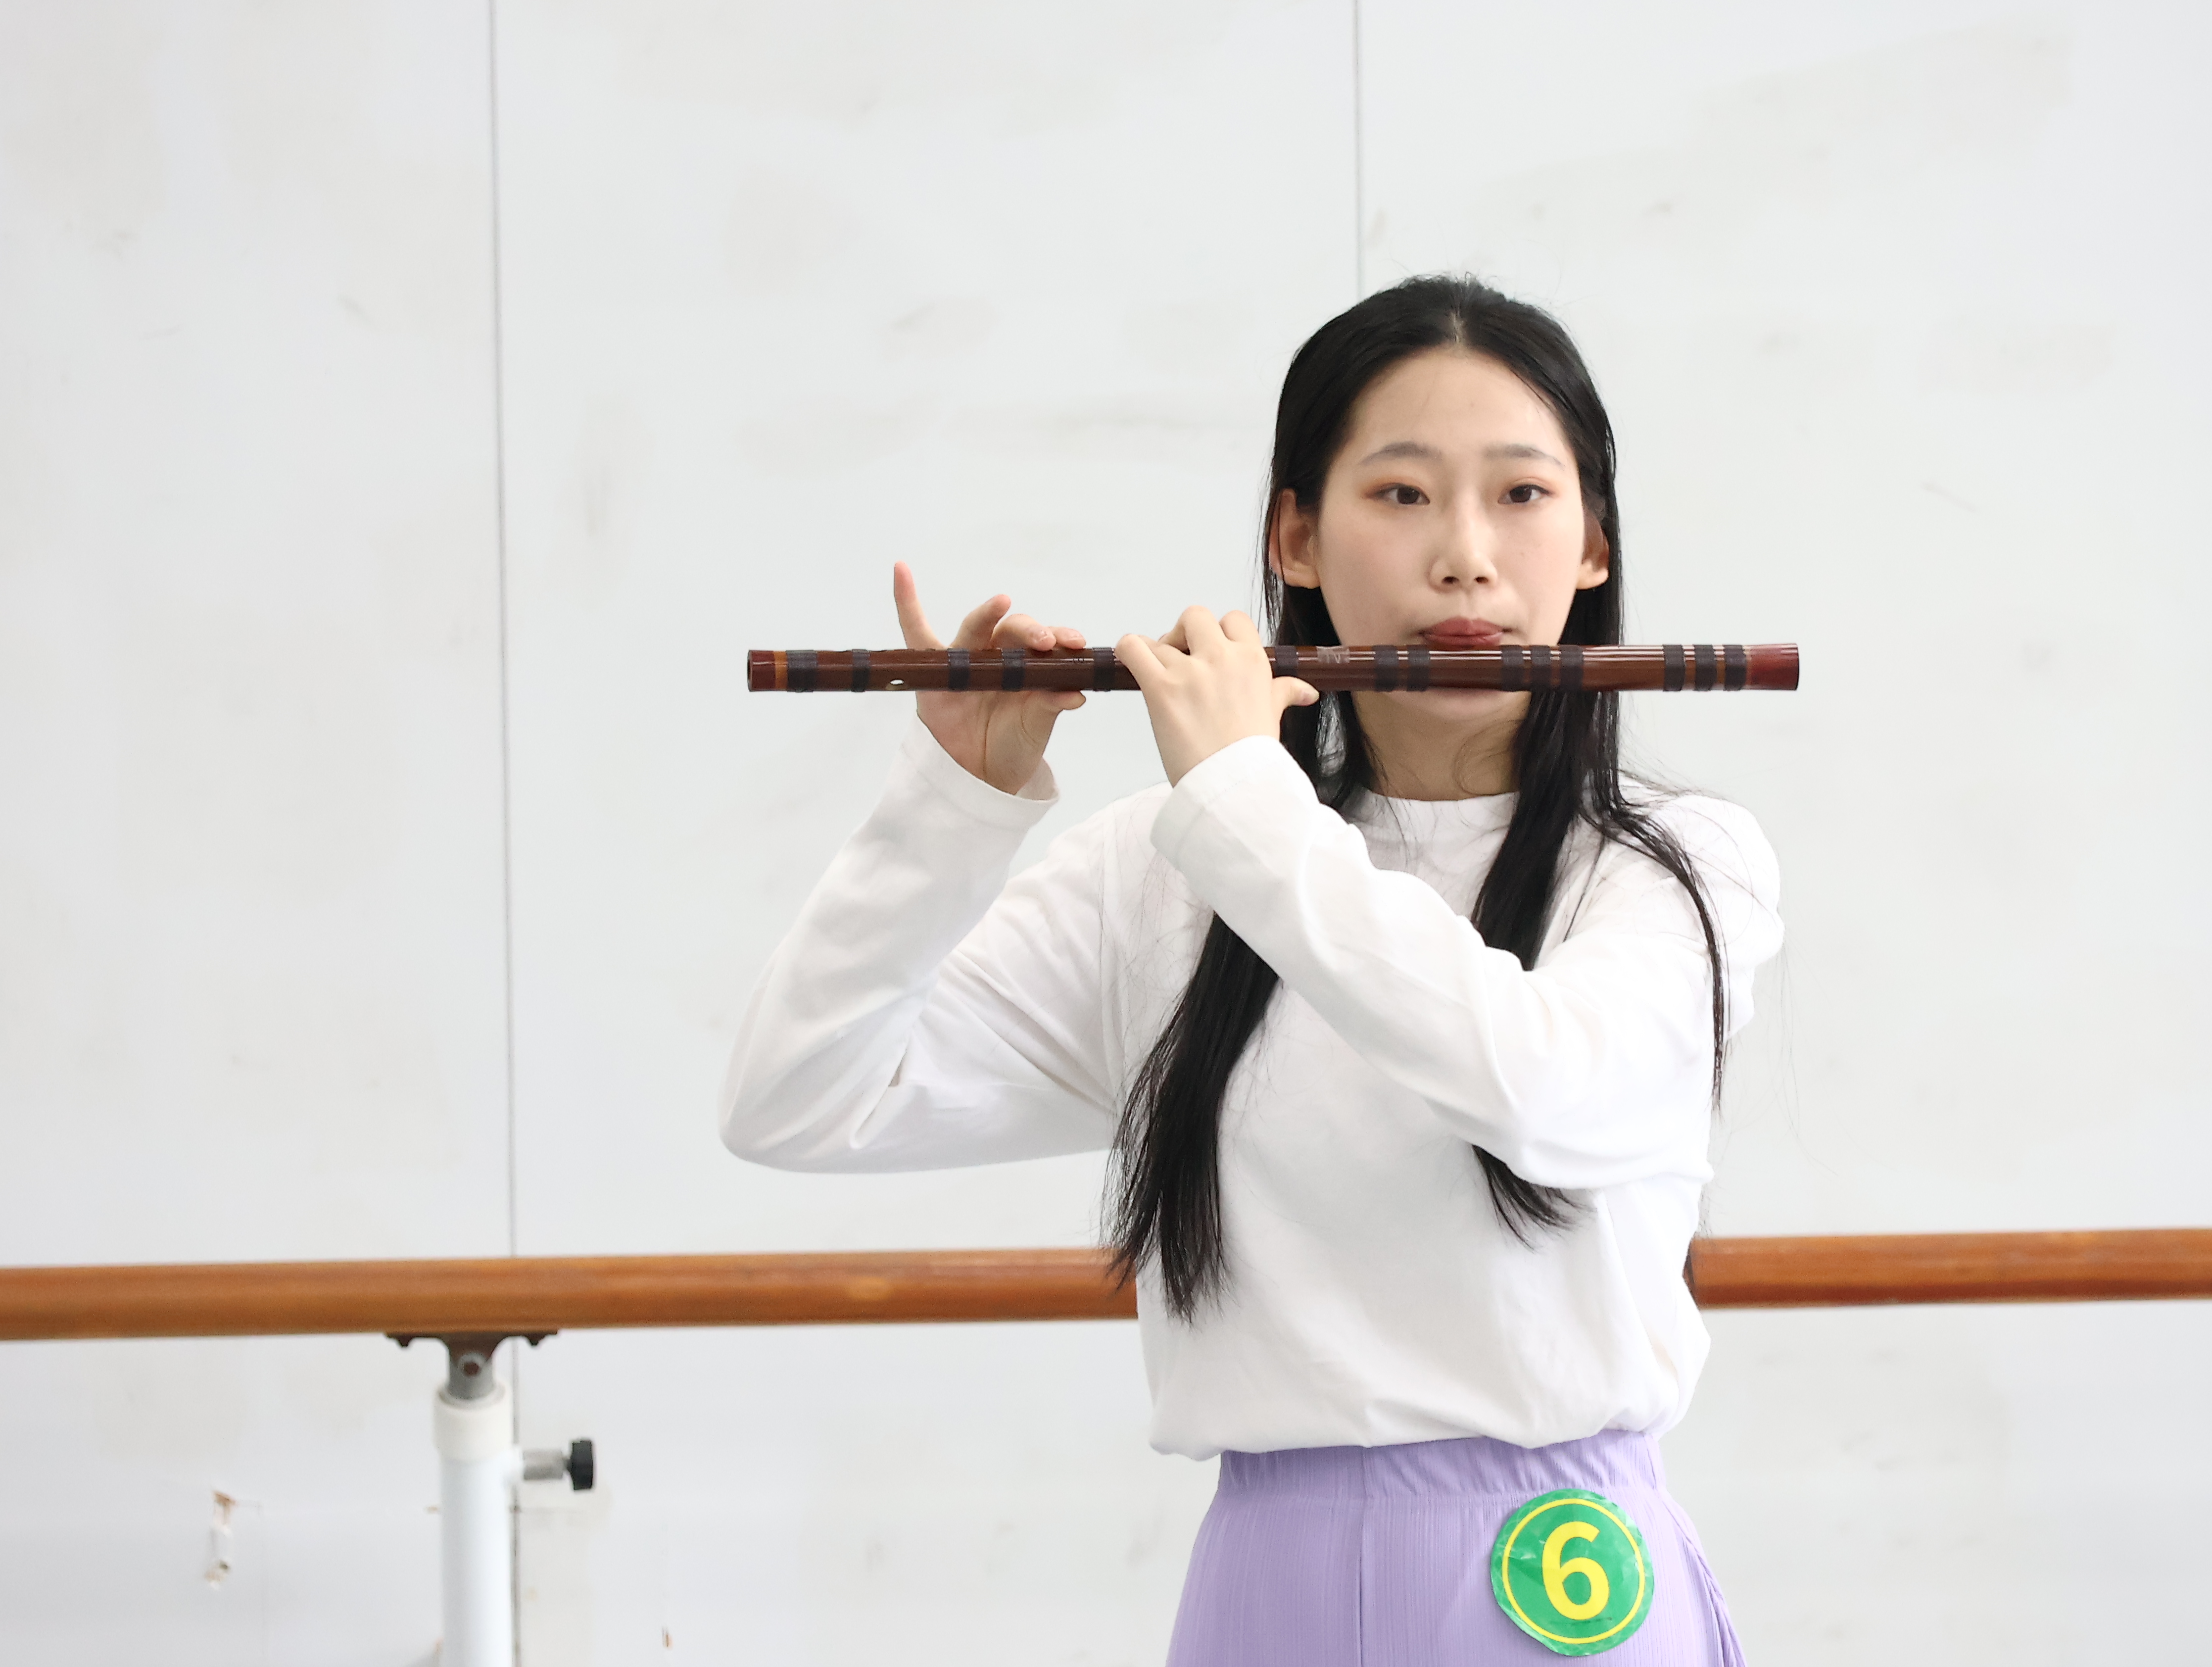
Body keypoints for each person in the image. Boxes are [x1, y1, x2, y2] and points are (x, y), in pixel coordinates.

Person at [720, 276, 1781, 1665]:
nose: (1466, 558)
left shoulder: (1676, 865)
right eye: (1401, 494)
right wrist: (953, 805)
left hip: (1557, 1595)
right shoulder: (1162, 869)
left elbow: (1543, 1089)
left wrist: (1244, 803)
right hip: (1267, 1586)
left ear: (1592, 545)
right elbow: (801, 1100)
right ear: (1297, 536)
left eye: (1523, 495)